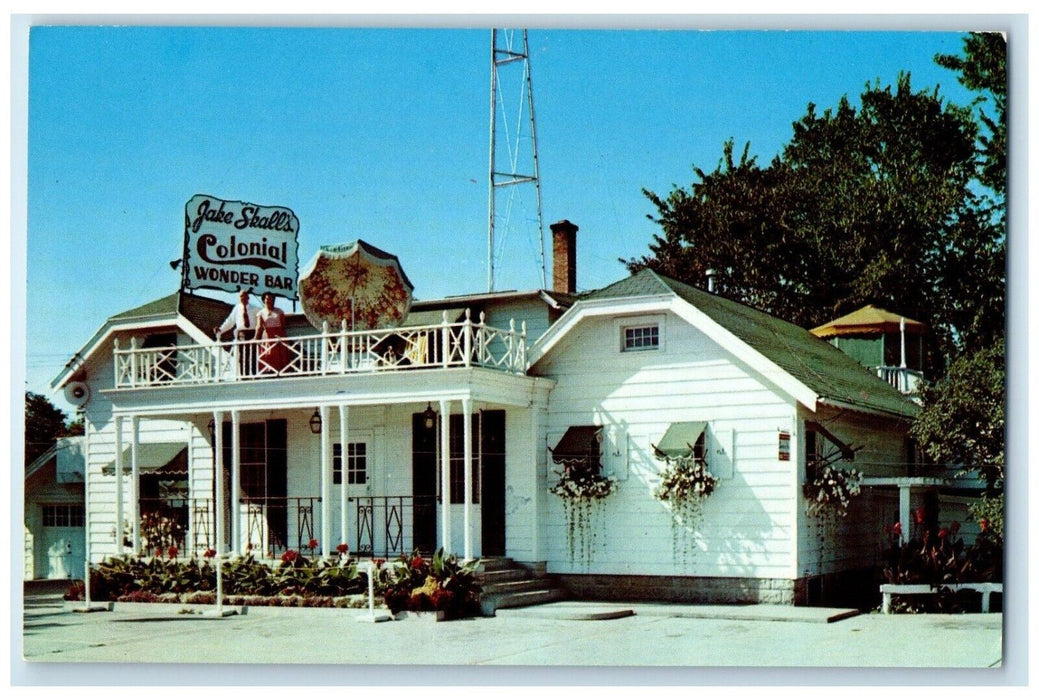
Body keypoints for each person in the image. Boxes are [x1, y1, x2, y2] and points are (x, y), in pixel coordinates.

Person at [214, 289, 259, 377]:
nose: (243, 298)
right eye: (241, 296)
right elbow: (230, 321)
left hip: (252, 333)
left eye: (245, 296)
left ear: (248, 297)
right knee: (242, 356)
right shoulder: (237, 308)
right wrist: (221, 329)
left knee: (253, 355)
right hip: (241, 334)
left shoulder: (255, 308)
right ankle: (244, 376)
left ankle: (254, 375)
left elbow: (260, 320)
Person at [254, 292, 290, 374]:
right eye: (267, 298)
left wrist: (284, 337)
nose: (269, 300)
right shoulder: (261, 313)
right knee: (268, 354)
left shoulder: (279, 311)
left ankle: (281, 371)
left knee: (280, 354)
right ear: (264, 300)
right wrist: (255, 338)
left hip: (278, 335)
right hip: (267, 336)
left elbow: (283, 325)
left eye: (271, 298)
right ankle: (267, 371)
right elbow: (259, 327)